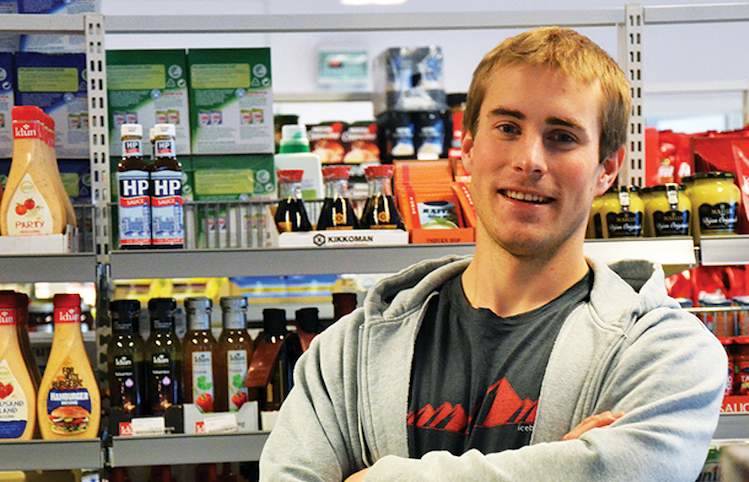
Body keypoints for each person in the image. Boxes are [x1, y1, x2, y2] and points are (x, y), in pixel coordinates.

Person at [260, 26, 726, 481]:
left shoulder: (666, 354)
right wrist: (562, 469)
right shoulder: (347, 353)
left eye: (562, 136)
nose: (529, 161)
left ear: (607, 168)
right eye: (507, 128)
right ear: (468, 148)